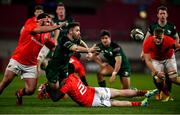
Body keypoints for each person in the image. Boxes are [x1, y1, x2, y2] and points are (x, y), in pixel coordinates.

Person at [0, 13, 67, 105]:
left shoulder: (46, 35)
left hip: (31, 65)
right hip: (17, 60)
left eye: (49, 21)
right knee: (5, 82)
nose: (49, 22)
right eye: (47, 20)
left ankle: (19, 93)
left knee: (30, 90)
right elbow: (40, 30)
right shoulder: (31, 25)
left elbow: (54, 46)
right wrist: (57, 26)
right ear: (39, 20)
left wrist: (68, 47)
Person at [39, 63, 158, 107]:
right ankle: (146, 92)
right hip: (93, 90)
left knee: (114, 103)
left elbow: (55, 98)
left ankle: (141, 104)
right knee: (119, 92)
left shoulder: (67, 84)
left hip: (91, 101)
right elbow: (61, 84)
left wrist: (48, 88)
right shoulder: (73, 76)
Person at [44, 22, 97, 101]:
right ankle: (45, 87)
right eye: (77, 30)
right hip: (54, 67)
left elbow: (81, 42)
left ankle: (52, 88)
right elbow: (75, 48)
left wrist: (88, 51)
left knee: (64, 89)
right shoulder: (64, 40)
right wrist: (89, 50)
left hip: (64, 67)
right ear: (70, 31)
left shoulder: (75, 39)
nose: (79, 32)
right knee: (55, 87)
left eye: (79, 30)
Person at [141, 5, 180, 101]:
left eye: (164, 13)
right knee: (158, 77)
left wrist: (175, 48)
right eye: (161, 13)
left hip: (168, 55)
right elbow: (146, 40)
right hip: (156, 57)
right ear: (158, 15)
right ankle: (163, 93)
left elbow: (177, 40)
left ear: (167, 15)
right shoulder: (152, 28)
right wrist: (143, 52)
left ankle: (165, 93)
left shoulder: (171, 28)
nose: (162, 15)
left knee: (172, 78)